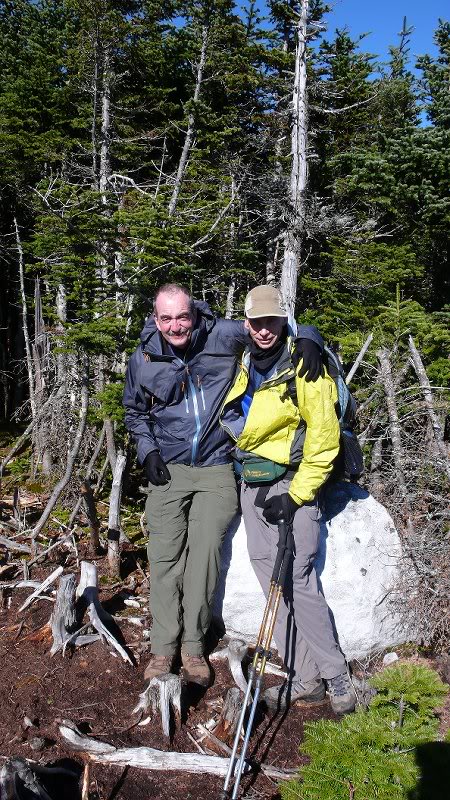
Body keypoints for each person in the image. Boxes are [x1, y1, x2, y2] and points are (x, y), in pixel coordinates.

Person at [123, 283, 324, 686]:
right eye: (166, 318)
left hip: (216, 467)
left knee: (205, 557)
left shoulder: (220, 333)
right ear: (155, 317)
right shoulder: (143, 358)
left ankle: (194, 648)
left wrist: (310, 339)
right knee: (164, 558)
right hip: (168, 468)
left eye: (182, 316)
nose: (176, 326)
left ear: (193, 313)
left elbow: (269, 326)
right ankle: (163, 649)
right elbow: (134, 410)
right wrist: (147, 453)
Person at [220, 284, 357, 714]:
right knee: (270, 578)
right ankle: (304, 678)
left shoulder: (304, 365)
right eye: (257, 322)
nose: (264, 330)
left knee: (297, 576)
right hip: (253, 481)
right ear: (246, 323)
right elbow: (187, 323)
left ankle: (337, 677)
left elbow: (324, 438)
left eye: (272, 322)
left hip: (293, 482)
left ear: (284, 321)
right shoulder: (244, 358)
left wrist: (297, 497)